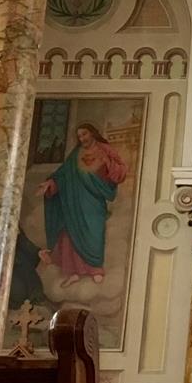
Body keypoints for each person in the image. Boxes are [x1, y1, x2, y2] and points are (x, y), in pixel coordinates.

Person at [37, 122, 128, 286]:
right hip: (74, 200)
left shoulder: (105, 149)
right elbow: (63, 174)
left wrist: (108, 163)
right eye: (79, 136)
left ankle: (95, 269)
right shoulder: (76, 154)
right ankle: (73, 272)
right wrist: (50, 183)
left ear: (92, 133)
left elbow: (121, 170)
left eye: (85, 134)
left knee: (93, 231)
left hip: (93, 199)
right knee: (71, 232)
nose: (82, 138)